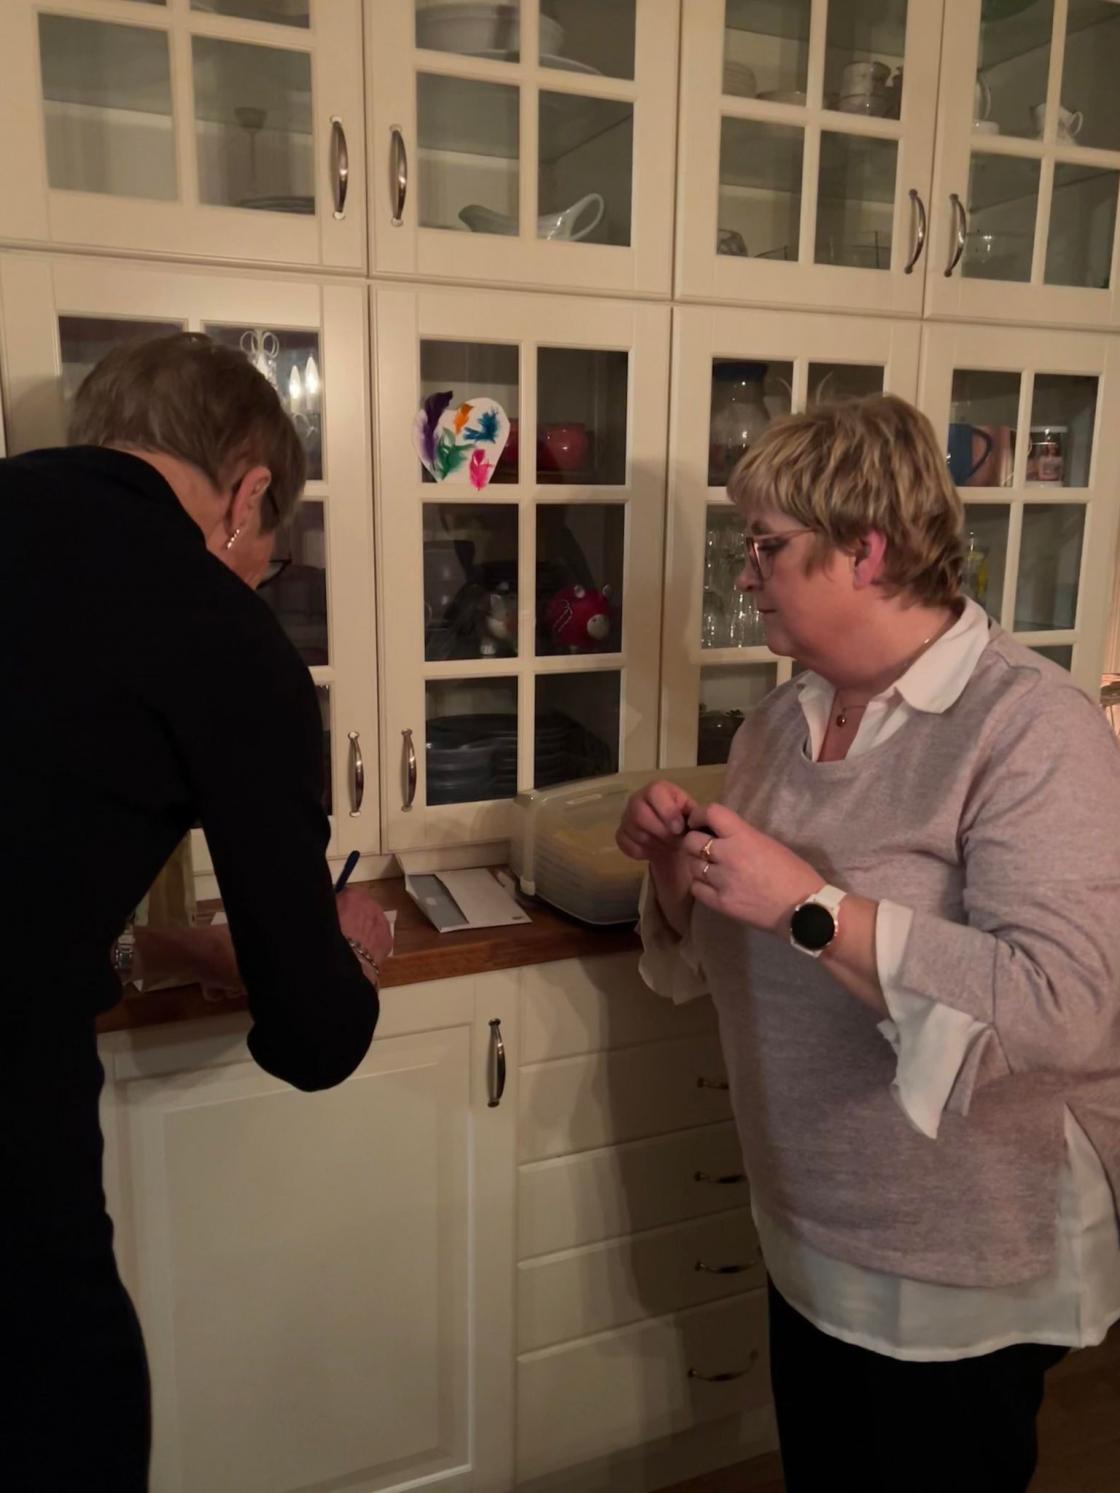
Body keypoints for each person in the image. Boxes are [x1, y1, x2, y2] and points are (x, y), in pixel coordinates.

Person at [618, 395, 1120, 1492]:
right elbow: (723, 960)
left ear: (866, 549)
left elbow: (1064, 1005)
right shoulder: (776, 726)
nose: (745, 571)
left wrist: (809, 903)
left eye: (766, 544)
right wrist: (677, 870)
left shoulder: (1031, 726)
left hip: (959, 1253)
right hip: (810, 1225)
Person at [0, 333, 393, 1490]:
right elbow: (312, 1035)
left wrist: (165, 944)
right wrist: (334, 959)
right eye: (271, 552)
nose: (261, 575)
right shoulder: (218, 630)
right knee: (65, 1414)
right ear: (247, 491)